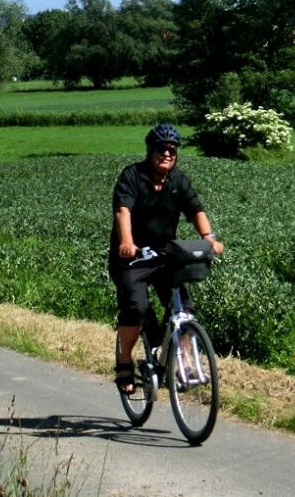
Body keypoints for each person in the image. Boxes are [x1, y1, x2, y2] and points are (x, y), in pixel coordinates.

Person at [109, 123, 224, 394]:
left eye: (172, 150)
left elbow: (196, 209)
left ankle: (178, 359)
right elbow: (123, 211)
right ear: (151, 150)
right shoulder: (132, 176)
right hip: (133, 258)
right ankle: (125, 362)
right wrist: (127, 242)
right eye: (161, 149)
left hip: (164, 256)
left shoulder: (178, 180)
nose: (167, 154)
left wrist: (208, 237)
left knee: (184, 308)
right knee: (136, 310)